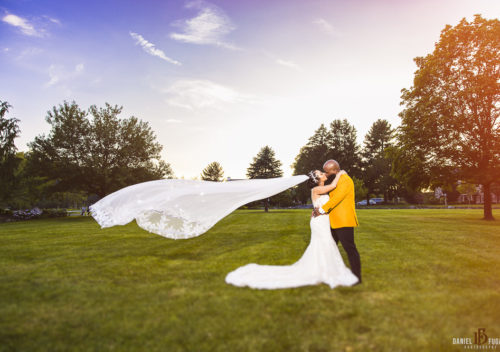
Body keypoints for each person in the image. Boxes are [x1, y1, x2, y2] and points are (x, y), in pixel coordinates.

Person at [225, 169, 359, 289]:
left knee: (325, 244)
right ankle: (322, 271)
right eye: (320, 174)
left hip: (323, 220)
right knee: (323, 243)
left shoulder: (322, 189)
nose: (324, 174)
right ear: (317, 179)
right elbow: (334, 185)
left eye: (322, 172)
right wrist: (341, 173)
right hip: (319, 222)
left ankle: (325, 269)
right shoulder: (316, 190)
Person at [312, 159, 361, 283]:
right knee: (328, 248)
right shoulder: (337, 179)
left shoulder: (345, 180)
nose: (326, 174)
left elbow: (337, 198)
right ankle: (326, 274)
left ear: (335, 170)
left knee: (350, 249)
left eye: (327, 172)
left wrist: (321, 210)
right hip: (332, 221)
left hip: (343, 221)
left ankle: (357, 278)